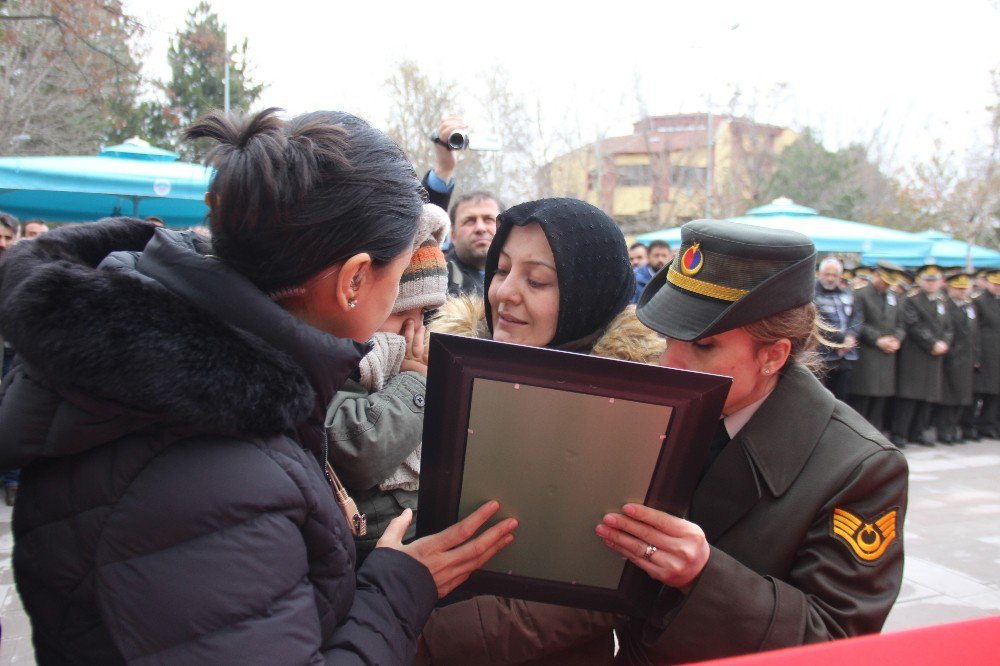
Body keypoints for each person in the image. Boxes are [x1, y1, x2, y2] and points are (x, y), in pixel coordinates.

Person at [0, 108, 517, 663]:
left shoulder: (215, 389)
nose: (410, 314)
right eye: (401, 284)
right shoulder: (215, 465)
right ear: (355, 281)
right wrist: (398, 589)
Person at [597, 219, 907, 663]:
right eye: (667, 337)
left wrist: (704, 576)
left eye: (703, 346)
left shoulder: (860, 467)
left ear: (773, 355)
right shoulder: (663, 409)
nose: (670, 363)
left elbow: (840, 640)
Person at [419, 197, 664, 665]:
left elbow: (593, 594)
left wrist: (422, 636)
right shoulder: (446, 368)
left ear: (585, 294)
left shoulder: (633, 412)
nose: (505, 293)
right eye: (502, 269)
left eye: (537, 281)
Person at [324, 204, 450, 564]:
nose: (414, 330)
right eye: (400, 312)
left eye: (424, 315)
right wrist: (413, 380)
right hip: (366, 557)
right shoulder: (345, 359)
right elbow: (360, 448)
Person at [891, 264, 953, 447]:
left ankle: (918, 431)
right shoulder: (912, 300)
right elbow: (912, 324)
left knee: (927, 397)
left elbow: (948, 327)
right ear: (919, 280)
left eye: (935, 281)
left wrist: (945, 343)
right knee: (909, 396)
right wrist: (932, 343)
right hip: (916, 354)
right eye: (928, 280)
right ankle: (900, 432)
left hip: (935, 356)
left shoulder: (941, 301)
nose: (932, 284)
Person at [848, 262, 906, 435]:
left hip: (888, 354)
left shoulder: (893, 297)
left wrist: (897, 339)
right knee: (863, 397)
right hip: (868, 354)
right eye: (885, 280)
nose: (887, 285)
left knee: (881, 397)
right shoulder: (861, 294)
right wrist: (877, 339)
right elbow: (858, 322)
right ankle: (858, 435)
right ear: (877, 275)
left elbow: (901, 323)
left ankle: (876, 434)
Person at [933, 272, 979, 444]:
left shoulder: (969, 306)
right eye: (958, 289)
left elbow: (975, 334)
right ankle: (944, 430)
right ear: (950, 288)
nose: (962, 292)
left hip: (966, 358)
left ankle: (953, 428)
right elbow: (945, 330)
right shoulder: (945, 306)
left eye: (964, 289)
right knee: (949, 398)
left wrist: (976, 355)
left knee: (962, 397)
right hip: (951, 357)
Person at [814, 256, 861, 400]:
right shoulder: (812, 294)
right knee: (821, 397)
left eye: (834, 275)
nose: (830, 278)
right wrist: (842, 339)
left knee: (841, 398)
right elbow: (819, 322)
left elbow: (857, 317)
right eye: (827, 274)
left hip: (845, 355)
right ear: (819, 274)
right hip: (822, 355)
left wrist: (851, 336)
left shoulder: (847, 293)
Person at [968, 269, 1000, 439]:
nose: (998, 288)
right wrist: (976, 355)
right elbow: (974, 330)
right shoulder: (978, 301)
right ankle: (972, 425)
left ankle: (990, 424)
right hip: (985, 352)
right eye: (995, 284)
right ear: (988, 283)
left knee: (996, 393)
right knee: (979, 391)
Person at [632, 239, 672, 304]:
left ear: (670, 257)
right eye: (656, 255)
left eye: (664, 255)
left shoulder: (674, 279)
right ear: (648, 257)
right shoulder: (636, 279)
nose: (660, 259)